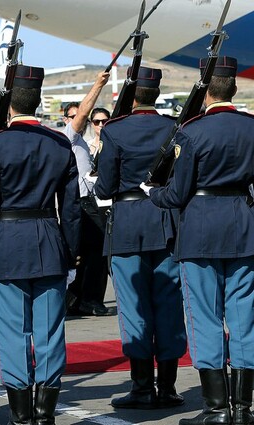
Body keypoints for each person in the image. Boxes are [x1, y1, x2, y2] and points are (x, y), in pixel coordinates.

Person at [145, 56, 254, 425]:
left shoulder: (192, 131)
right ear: (233, 87)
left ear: (204, 91)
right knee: (243, 317)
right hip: (244, 228)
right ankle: (242, 409)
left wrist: (152, 194)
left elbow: (178, 192)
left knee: (204, 318)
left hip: (201, 228)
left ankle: (216, 409)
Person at [0, 65, 81, 424]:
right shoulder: (60, 143)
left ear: (9, 103)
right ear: (38, 100)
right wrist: (72, 251)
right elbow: (71, 208)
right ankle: (44, 413)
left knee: (11, 330)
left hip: (7, 243)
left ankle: (21, 415)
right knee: (50, 331)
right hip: (50, 240)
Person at [94, 66, 187, 410]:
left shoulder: (115, 131)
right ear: (156, 94)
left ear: (130, 96)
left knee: (134, 309)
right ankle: (168, 387)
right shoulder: (172, 127)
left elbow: (104, 186)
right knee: (168, 307)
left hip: (129, 225)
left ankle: (142, 387)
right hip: (166, 222)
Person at [60, 71, 113, 317]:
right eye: (72, 117)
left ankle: (82, 299)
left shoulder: (81, 142)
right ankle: (84, 299)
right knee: (89, 252)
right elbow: (83, 113)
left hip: (88, 201)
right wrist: (99, 85)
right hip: (80, 203)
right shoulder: (69, 136)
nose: (77, 120)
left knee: (92, 254)